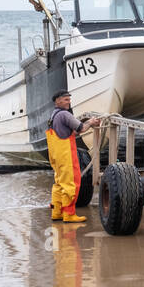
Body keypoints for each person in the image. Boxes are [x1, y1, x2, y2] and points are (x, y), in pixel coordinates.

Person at [47, 90, 101, 223]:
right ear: (57, 101)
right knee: (71, 183)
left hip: (56, 155)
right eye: (66, 100)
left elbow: (69, 133)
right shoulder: (65, 114)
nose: (69, 102)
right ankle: (69, 214)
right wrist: (91, 122)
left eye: (69, 99)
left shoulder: (54, 116)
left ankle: (57, 212)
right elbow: (81, 128)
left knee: (59, 183)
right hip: (66, 155)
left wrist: (85, 125)